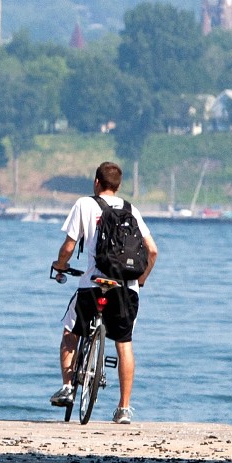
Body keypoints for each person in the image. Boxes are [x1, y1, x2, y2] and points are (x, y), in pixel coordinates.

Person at [49, 161, 159, 424]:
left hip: (93, 283)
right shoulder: (131, 210)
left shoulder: (84, 205)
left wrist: (60, 266)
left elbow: (68, 246)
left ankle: (67, 387)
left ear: (96, 182)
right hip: (126, 287)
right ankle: (124, 409)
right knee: (124, 343)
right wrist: (140, 281)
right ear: (118, 186)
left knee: (70, 332)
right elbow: (152, 251)